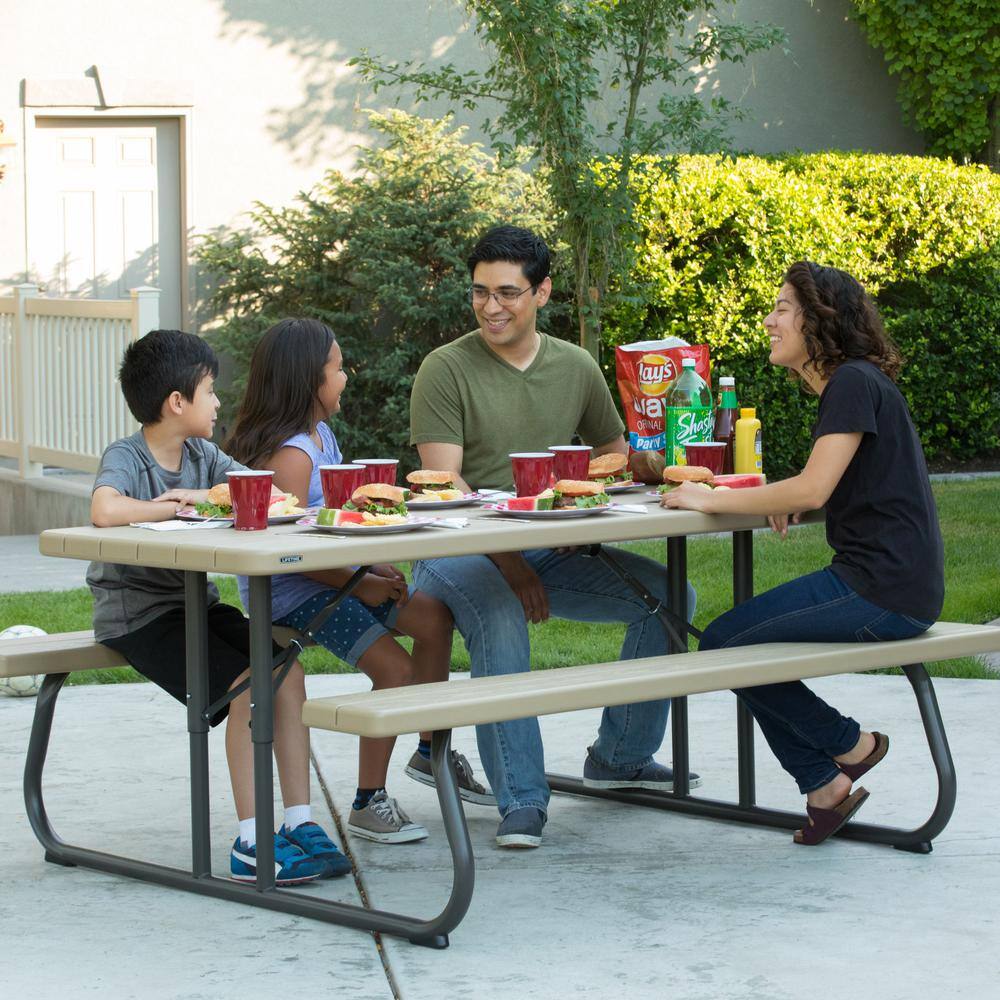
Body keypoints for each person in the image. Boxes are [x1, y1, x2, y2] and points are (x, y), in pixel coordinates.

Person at [409, 224, 698, 849]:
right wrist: (514, 566)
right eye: (481, 292)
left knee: (670, 597)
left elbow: (613, 455)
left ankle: (619, 759)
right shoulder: (446, 368)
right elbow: (445, 487)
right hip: (456, 549)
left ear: (542, 293)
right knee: (501, 614)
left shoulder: (575, 365)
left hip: (550, 541)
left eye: (508, 292)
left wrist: (583, 508)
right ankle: (521, 800)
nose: (491, 306)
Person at [663, 261, 944, 845]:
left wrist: (701, 495)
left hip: (881, 589)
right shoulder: (858, 383)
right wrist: (789, 498)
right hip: (893, 582)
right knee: (732, 643)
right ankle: (825, 787)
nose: (769, 321)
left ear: (822, 320)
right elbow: (838, 483)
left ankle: (848, 746)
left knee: (723, 643)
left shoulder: (851, 383)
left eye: (783, 308)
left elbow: (813, 486)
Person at [87, 328, 346, 886]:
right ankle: (252, 841)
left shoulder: (203, 455)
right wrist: (171, 505)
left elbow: (267, 493)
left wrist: (209, 496)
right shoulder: (128, 457)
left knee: (288, 671)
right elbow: (105, 511)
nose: (219, 401)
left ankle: (299, 822)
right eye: (210, 390)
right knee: (251, 686)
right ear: (177, 402)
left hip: (195, 606)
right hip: (139, 617)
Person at [225, 318, 491, 844]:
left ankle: (428, 745)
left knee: (434, 619)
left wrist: (366, 570)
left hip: (337, 577)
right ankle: (369, 802)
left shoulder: (320, 434)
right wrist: (361, 581)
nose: (346, 377)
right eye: (338, 368)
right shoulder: (292, 456)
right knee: (396, 668)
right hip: (292, 593)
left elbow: (335, 522)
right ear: (309, 381)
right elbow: (291, 552)